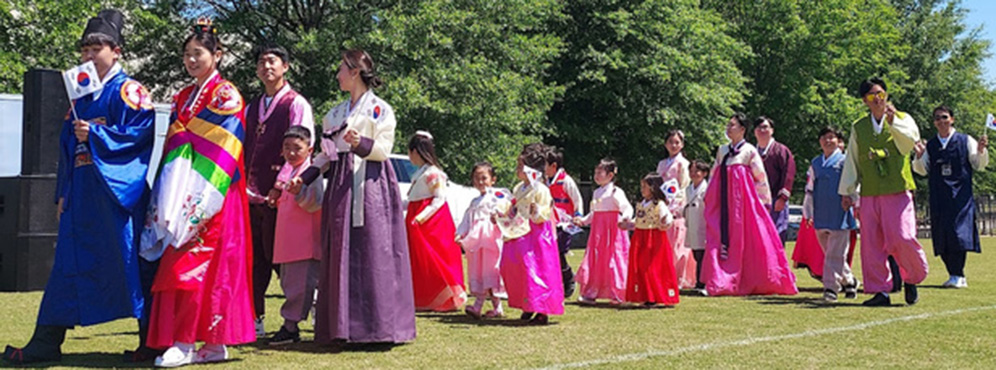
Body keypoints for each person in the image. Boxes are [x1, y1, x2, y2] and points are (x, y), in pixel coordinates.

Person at [3, 9, 156, 365]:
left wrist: (98, 134)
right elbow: (65, 146)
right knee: (67, 263)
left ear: (116, 51)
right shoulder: (82, 93)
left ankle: (150, 340)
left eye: (96, 48)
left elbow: (139, 136)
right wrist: (64, 192)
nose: (88, 55)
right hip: (82, 192)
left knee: (130, 260)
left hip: (117, 192)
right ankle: (46, 340)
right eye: (84, 49)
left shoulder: (130, 90)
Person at [140, 19, 256, 367]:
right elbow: (174, 143)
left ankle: (190, 341)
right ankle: (201, 342)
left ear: (217, 55)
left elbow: (225, 146)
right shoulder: (182, 96)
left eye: (199, 53)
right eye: (187, 54)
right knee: (184, 259)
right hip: (181, 187)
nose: (191, 60)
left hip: (212, 190)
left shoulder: (226, 95)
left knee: (204, 265)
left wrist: (196, 185)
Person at [295, 49, 416, 345]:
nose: (337, 75)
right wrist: (303, 177)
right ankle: (341, 326)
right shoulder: (335, 113)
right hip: (340, 183)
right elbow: (326, 154)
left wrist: (360, 141)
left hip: (370, 183)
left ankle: (377, 327)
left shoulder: (380, 109)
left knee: (374, 248)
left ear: (354, 71)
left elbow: (384, 149)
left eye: (341, 69)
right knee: (339, 249)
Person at [243, 43, 315, 337]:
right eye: (261, 62)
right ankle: (255, 318)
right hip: (249, 194)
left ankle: (301, 314)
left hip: (280, 196)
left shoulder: (296, 104)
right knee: (253, 260)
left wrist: (279, 186)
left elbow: (301, 151)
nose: (266, 67)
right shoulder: (251, 106)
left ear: (286, 66)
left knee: (283, 260)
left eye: (272, 61)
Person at [839, 77, 929, 307]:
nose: (878, 99)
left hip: (897, 188)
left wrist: (893, 122)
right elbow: (852, 159)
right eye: (872, 96)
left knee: (902, 236)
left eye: (881, 94)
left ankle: (911, 278)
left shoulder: (902, 119)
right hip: (869, 192)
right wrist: (848, 191)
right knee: (872, 245)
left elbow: (910, 143)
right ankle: (880, 291)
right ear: (864, 101)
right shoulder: (859, 126)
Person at [700, 113, 797, 296]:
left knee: (744, 240)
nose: (729, 129)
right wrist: (708, 198)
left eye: (733, 125)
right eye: (728, 125)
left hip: (742, 207)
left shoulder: (749, 151)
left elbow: (760, 179)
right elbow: (714, 177)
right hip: (723, 204)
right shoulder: (722, 151)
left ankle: (743, 278)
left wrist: (764, 203)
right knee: (719, 237)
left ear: (743, 129)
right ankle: (718, 279)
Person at [913, 105, 988, 289]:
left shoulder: (965, 140)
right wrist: (919, 155)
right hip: (939, 196)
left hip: (961, 197)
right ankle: (954, 273)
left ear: (952, 119)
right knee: (942, 235)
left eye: (944, 117)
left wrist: (980, 150)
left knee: (958, 234)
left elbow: (978, 164)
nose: (941, 121)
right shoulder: (931, 145)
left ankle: (958, 273)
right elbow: (922, 170)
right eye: (937, 118)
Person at [496, 143, 564, 325]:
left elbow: (545, 212)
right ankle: (527, 303)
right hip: (519, 232)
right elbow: (512, 205)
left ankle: (541, 307)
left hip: (536, 234)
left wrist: (536, 211)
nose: (517, 170)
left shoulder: (541, 189)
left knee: (534, 269)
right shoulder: (520, 188)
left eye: (520, 167)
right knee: (514, 265)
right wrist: (502, 213)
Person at [267, 126, 323, 345]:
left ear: (309, 150)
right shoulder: (289, 171)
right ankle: (291, 325)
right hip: (288, 242)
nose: (291, 153)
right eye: (287, 148)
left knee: (300, 286)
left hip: (304, 242)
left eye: (297, 148)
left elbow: (315, 203)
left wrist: (299, 192)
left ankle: (290, 326)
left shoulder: (310, 173)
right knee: (290, 284)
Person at [406, 131, 468, 312]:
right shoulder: (421, 173)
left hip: (432, 223)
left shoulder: (434, 174)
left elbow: (439, 199)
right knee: (419, 259)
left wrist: (421, 217)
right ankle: (425, 296)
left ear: (416, 152)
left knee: (435, 258)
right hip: (418, 219)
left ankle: (447, 296)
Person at [802, 127, 859, 302]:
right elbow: (809, 189)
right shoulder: (816, 163)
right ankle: (850, 281)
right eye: (824, 138)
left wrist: (852, 200)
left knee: (835, 252)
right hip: (821, 213)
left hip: (839, 212)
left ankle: (831, 288)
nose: (828, 141)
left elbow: (855, 184)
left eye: (832, 138)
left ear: (838, 141)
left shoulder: (845, 162)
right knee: (831, 253)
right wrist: (808, 212)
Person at [573, 159, 633, 305]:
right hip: (599, 232)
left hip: (613, 231)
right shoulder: (597, 192)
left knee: (614, 258)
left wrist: (625, 218)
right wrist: (583, 221)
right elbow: (594, 213)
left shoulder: (615, 192)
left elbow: (627, 208)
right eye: (596, 172)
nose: (597, 175)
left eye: (600, 172)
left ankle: (617, 292)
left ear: (610, 175)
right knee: (597, 258)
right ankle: (592, 291)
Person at [456, 161, 508, 319]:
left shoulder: (497, 196)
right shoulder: (474, 202)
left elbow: (506, 207)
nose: (480, 182)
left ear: (493, 179)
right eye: (476, 178)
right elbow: (467, 219)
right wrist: (461, 233)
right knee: (478, 269)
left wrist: (498, 215)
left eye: (484, 178)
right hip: (476, 241)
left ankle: (479, 304)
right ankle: (496, 307)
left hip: (490, 239)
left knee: (490, 270)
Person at [623, 172, 679, 307]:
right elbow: (638, 220)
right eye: (641, 186)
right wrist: (628, 224)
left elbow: (667, 218)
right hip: (640, 236)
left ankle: (654, 296)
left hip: (653, 238)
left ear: (653, 188)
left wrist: (665, 221)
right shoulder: (641, 204)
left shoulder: (659, 205)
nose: (642, 189)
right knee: (641, 266)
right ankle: (646, 294)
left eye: (645, 186)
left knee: (651, 267)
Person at [656, 130, 696, 289]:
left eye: (677, 142)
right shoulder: (661, 164)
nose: (673, 145)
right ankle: (663, 275)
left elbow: (684, 186)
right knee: (664, 244)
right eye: (671, 142)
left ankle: (680, 278)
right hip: (663, 204)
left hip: (676, 207)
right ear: (665, 144)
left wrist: (675, 204)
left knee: (678, 245)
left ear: (682, 144)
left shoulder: (683, 163)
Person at [544, 147, 584, 298]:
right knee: (549, 253)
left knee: (559, 252)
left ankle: (568, 278)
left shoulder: (566, 180)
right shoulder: (544, 182)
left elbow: (577, 198)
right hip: (549, 221)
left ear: (553, 166)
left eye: (545, 165)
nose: (543, 169)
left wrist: (578, 214)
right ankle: (555, 282)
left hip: (564, 223)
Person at [754, 116, 796, 243]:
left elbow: (788, 174)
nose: (762, 130)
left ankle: (777, 263)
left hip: (775, 200)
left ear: (772, 130)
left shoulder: (781, 150)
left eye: (765, 127)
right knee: (758, 236)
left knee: (776, 235)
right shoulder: (751, 152)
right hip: (756, 201)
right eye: (759, 127)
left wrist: (782, 198)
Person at [684, 160, 710, 296]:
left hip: (703, 223)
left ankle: (703, 282)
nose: (693, 174)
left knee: (702, 255)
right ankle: (698, 281)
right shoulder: (688, 189)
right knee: (695, 253)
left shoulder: (707, 189)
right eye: (691, 171)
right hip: (692, 222)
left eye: (697, 171)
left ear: (704, 173)